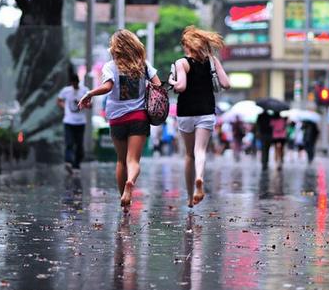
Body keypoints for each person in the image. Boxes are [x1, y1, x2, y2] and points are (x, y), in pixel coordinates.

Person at [78, 29, 160, 211]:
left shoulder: (111, 66)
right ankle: (131, 182)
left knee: (121, 161)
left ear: (116, 47)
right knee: (133, 161)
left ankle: (124, 201)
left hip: (117, 118)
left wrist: (90, 93)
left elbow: (107, 86)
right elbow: (158, 85)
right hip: (139, 117)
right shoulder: (143, 65)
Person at [169, 26, 230, 207]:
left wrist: (172, 81)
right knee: (200, 150)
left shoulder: (182, 63)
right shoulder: (212, 60)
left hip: (186, 112)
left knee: (189, 155)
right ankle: (199, 178)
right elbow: (226, 84)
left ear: (187, 46)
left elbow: (180, 87)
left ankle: (189, 198)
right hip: (206, 111)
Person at [57, 73, 89, 172]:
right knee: (69, 142)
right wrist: (64, 106)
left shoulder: (84, 90)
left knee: (79, 144)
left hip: (80, 122)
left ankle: (76, 165)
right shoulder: (66, 91)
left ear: (78, 82)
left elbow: (90, 105)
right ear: (71, 82)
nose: (75, 85)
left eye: (76, 83)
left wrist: (82, 103)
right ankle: (68, 162)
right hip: (69, 121)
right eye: (73, 83)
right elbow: (59, 100)